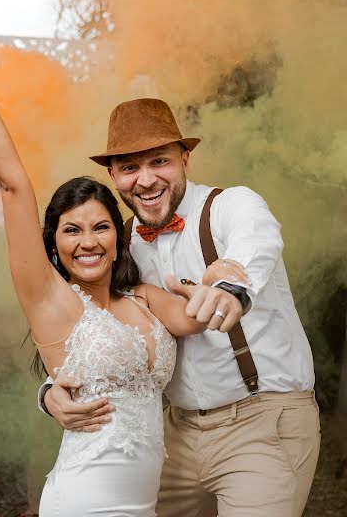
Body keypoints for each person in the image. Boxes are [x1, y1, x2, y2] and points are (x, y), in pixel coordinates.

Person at [0, 35, 246, 516]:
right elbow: (13, 183)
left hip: (147, 504)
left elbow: (195, 319)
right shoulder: (51, 301)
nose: (88, 241)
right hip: (85, 503)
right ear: (53, 243)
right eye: (72, 231)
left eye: (100, 227)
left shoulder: (143, 297)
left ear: (120, 236)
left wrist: (222, 279)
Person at [40, 98, 320, 517]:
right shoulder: (118, 240)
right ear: (114, 175)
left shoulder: (232, 206)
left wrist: (229, 288)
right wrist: (48, 392)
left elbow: (256, 243)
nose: (146, 180)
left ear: (185, 158)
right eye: (130, 168)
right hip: (174, 434)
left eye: (159, 162)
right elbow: (86, 320)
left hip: (262, 422)